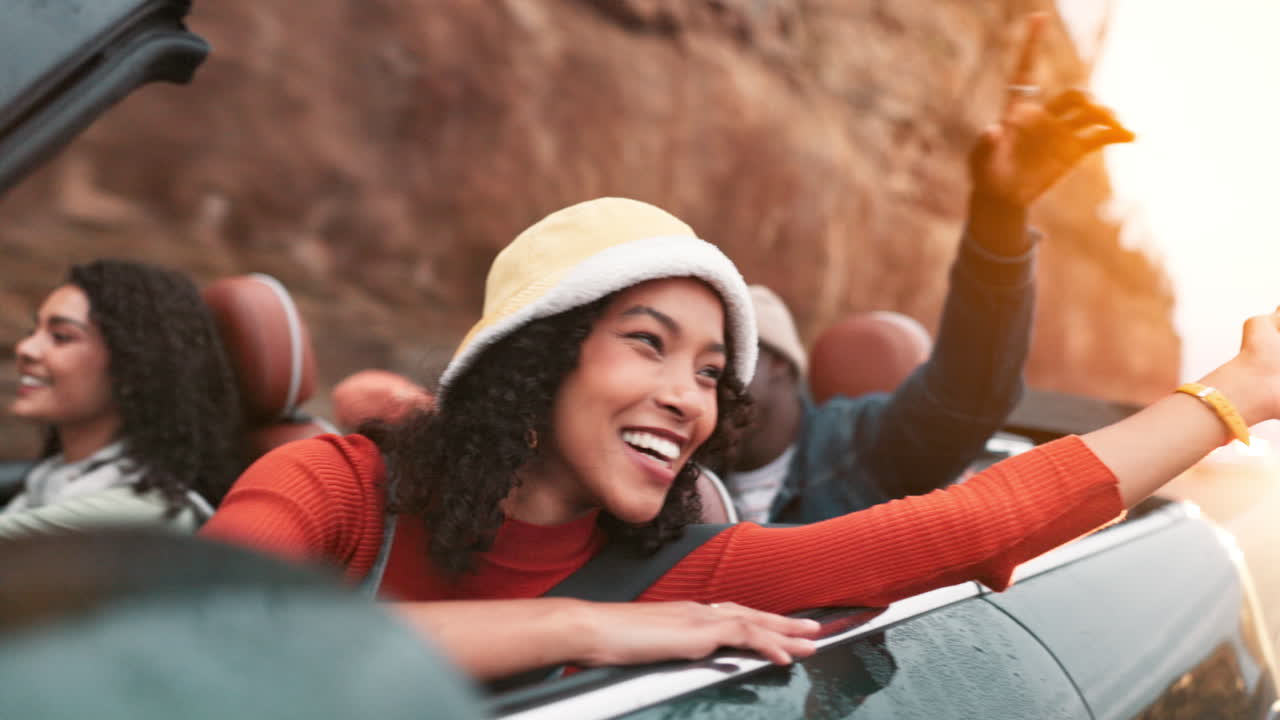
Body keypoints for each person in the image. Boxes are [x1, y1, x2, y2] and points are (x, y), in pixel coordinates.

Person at [203, 196, 1280, 678]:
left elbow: (978, 521)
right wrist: (577, 631)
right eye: (646, 343)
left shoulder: (689, 571)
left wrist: (1240, 389)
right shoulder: (334, 487)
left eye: (711, 371)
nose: (688, 396)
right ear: (539, 354)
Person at [728, 14, 1119, 523]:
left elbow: (969, 391)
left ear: (780, 362)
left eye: (723, 359)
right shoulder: (670, 478)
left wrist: (999, 215)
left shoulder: (863, 449)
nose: (697, 386)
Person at [4, 259, 244, 538]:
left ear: (133, 366)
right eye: (33, 331)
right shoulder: (54, 476)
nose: (25, 348)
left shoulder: (146, 511)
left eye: (61, 336)